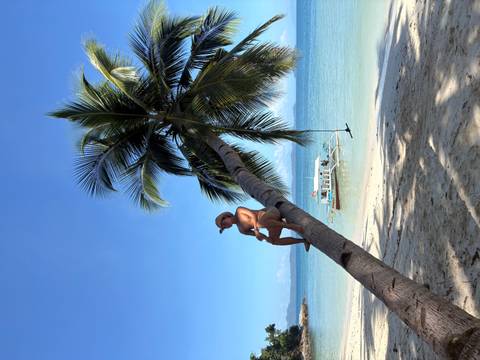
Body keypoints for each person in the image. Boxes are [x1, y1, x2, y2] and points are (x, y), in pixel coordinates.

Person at [215, 206, 310, 251]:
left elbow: (252, 215)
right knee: (273, 241)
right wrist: (263, 237)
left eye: (224, 223)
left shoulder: (239, 211)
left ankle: (291, 226)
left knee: (261, 222)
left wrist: (256, 230)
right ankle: (303, 241)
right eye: (224, 227)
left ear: (226, 216)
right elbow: (257, 235)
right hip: (272, 225)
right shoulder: (241, 230)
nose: (226, 225)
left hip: (271, 212)